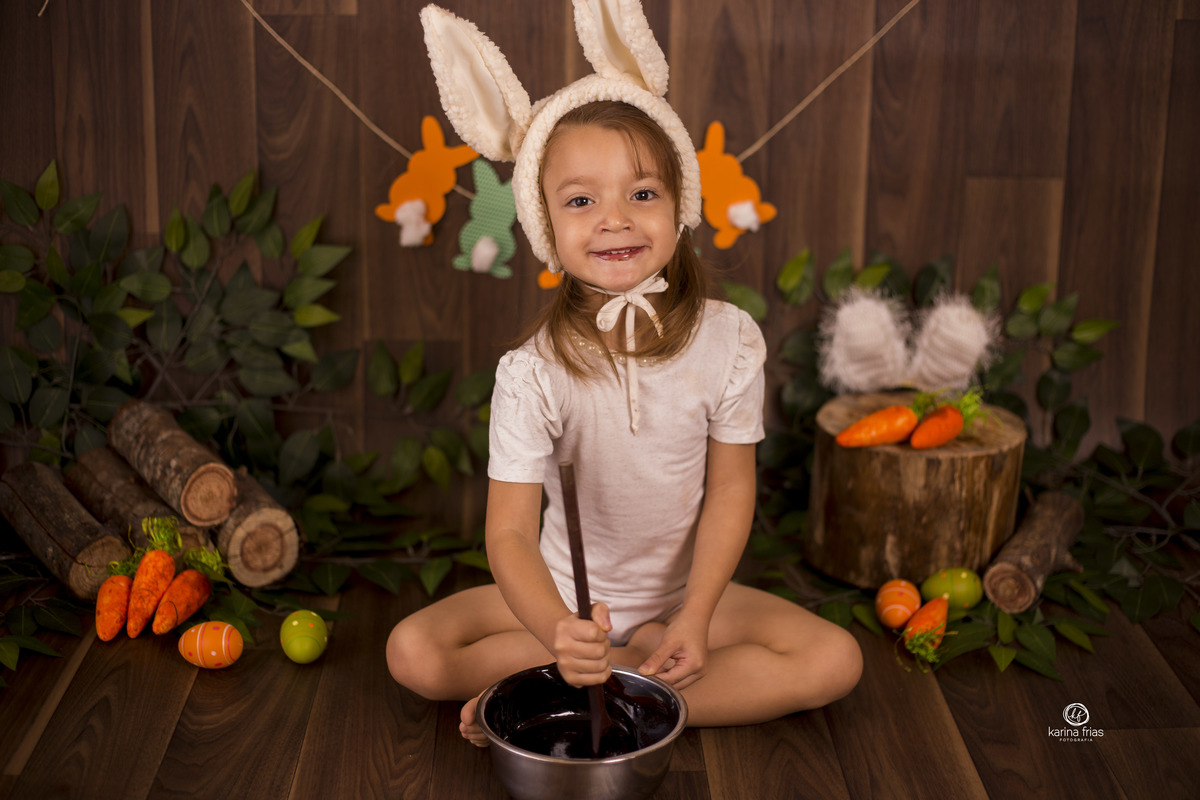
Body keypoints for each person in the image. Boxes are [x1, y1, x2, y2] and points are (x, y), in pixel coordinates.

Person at [387, 2, 862, 747]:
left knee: (835, 660)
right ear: (546, 224)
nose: (615, 218)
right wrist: (559, 631)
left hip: (681, 596)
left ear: (680, 207)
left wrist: (695, 618)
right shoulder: (531, 374)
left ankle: (590, 696)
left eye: (643, 193)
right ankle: (598, 674)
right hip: (561, 603)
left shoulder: (729, 340)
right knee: (412, 651)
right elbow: (509, 535)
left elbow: (734, 487)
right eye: (581, 200)